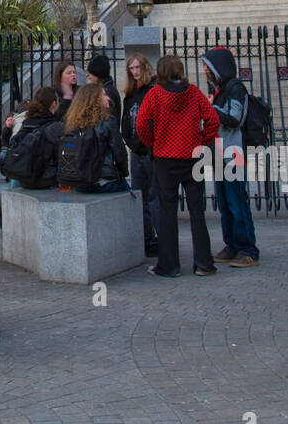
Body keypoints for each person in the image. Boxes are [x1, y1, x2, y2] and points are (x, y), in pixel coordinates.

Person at [135, 55, 220, 278]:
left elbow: (142, 123)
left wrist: (152, 142)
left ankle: (169, 265)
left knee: (167, 212)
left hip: (165, 157)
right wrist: (202, 139)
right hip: (192, 155)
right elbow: (213, 119)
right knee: (196, 211)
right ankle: (204, 263)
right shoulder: (193, 92)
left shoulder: (154, 94)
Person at [202, 48, 260, 268]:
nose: (205, 70)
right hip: (218, 151)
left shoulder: (236, 89)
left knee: (237, 202)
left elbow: (235, 118)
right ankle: (232, 245)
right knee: (224, 203)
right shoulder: (219, 89)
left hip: (233, 153)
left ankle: (248, 250)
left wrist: (210, 108)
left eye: (208, 66)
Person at [58, 81, 128, 192]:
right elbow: (119, 152)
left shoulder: (73, 124)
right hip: (104, 179)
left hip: (79, 181)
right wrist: (124, 172)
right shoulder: (107, 121)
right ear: (96, 100)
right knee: (130, 194)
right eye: (104, 95)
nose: (108, 98)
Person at [121, 54, 159, 257]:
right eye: (131, 69)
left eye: (137, 67)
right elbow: (125, 123)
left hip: (152, 152)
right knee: (140, 197)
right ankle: (147, 239)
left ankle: (161, 238)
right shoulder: (130, 96)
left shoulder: (152, 91)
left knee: (154, 197)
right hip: (136, 152)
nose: (135, 72)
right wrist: (130, 142)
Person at [1, 85, 62, 188]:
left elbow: (11, 143)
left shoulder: (27, 123)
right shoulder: (55, 127)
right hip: (46, 181)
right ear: (54, 103)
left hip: (24, 177)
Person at [86, 53, 121, 119]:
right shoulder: (108, 89)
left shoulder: (107, 92)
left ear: (98, 74)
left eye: (91, 74)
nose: (89, 77)